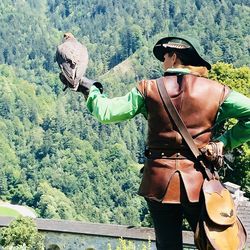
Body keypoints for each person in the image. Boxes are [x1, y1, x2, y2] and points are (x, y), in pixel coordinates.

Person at [58, 36, 250, 249]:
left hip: (158, 183)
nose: (162, 62)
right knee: (211, 244)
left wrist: (90, 88)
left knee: (167, 246)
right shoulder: (216, 90)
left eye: (164, 57)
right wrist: (224, 142)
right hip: (200, 183)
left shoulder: (148, 89)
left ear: (174, 56)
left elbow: (107, 112)